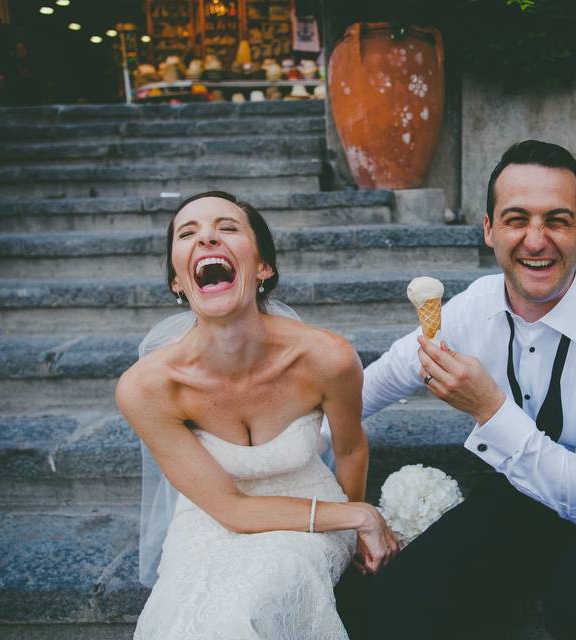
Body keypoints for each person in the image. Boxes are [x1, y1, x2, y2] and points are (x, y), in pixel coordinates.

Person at [337, 140, 576, 639]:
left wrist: (488, 408)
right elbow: (380, 381)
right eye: (516, 219)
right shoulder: (473, 307)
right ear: (489, 229)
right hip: (520, 488)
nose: (535, 240)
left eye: (557, 221)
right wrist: (298, 448)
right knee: (397, 597)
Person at [117, 191, 398, 640]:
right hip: (209, 521)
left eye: (227, 227)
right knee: (182, 618)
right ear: (177, 281)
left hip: (312, 519)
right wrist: (361, 516)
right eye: (188, 233)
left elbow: (349, 448)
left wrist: (349, 522)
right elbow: (229, 509)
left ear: (263, 267)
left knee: (251, 602)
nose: (207, 237)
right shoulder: (146, 388)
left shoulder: (327, 358)